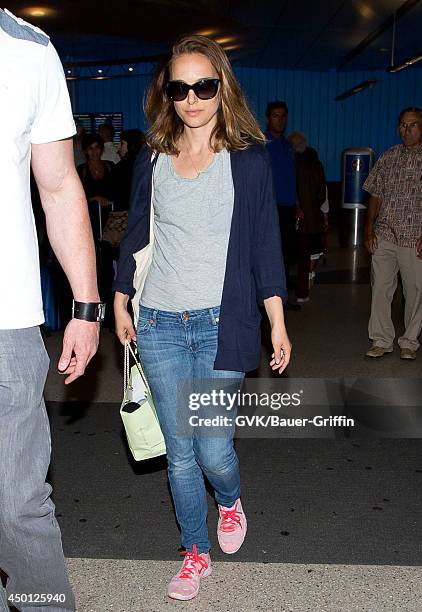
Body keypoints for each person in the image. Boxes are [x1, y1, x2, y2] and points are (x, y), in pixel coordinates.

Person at [113, 35, 292, 602]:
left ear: (222, 88)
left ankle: (232, 500)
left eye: (204, 86)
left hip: (222, 322)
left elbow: (265, 248)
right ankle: (194, 552)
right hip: (161, 322)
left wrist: (278, 321)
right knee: (181, 451)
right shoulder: (153, 158)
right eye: (180, 87)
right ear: (168, 92)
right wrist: (119, 297)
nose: (192, 98)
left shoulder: (250, 163)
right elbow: (136, 232)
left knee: (214, 450)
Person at [0, 8, 102, 612]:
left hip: (6, 323)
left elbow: (59, 185)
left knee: (15, 506)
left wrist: (85, 306)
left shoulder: (29, 50)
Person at [363, 106, 422, 360]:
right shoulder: (388, 157)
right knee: (380, 288)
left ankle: (409, 342)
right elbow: (375, 195)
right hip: (385, 235)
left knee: (415, 292)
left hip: (417, 238)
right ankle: (381, 340)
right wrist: (369, 229)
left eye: (412, 125)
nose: (406, 130)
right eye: (402, 125)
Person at [264, 101, 300, 310]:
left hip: (287, 208)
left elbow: (292, 177)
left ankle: (283, 299)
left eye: (283, 116)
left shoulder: (287, 145)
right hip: (269, 208)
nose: (280, 120)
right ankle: (267, 299)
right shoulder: (261, 144)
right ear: (269, 118)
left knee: (286, 254)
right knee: (270, 255)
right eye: (276, 116)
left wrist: (297, 204)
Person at [288, 132, 326, 302]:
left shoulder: (291, 164)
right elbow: (322, 195)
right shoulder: (317, 164)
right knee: (308, 256)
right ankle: (303, 292)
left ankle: (287, 289)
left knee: (288, 255)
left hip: (295, 216)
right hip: (314, 218)